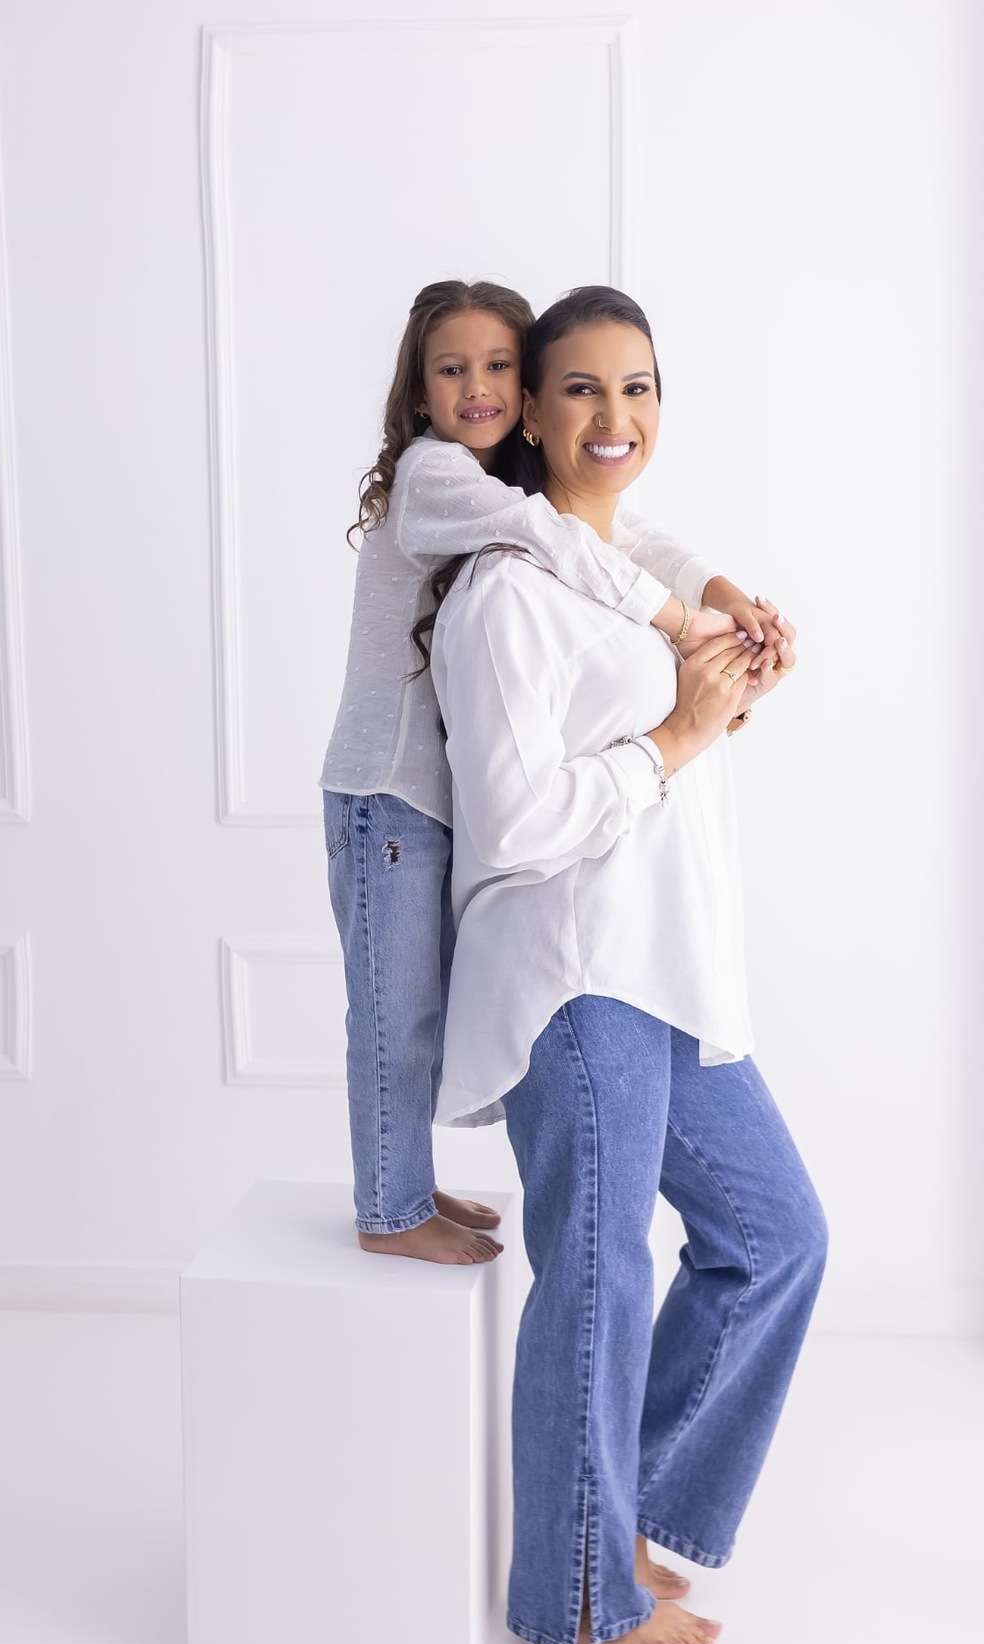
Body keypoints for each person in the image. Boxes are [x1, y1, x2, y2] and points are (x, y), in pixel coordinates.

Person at [428, 286, 828, 1644]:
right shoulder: (502, 595)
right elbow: (517, 825)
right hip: (572, 977)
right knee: (598, 1277)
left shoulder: (643, 590)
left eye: (640, 388)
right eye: (583, 390)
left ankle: (629, 1514)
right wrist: (679, 736)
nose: (616, 418)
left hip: (672, 973)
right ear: (528, 412)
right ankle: (579, 1590)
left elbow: (674, 681)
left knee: (778, 1237)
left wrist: (725, 668)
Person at [320, 279, 791, 1268]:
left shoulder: (514, 496)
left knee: (419, 1005)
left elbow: (635, 536)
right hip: (387, 793)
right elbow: (559, 536)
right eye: (454, 369)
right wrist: (677, 623)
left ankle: (399, 1182)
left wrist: (725, 600)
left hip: (450, 806)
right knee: (394, 1008)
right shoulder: (440, 480)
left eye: (499, 364)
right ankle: (389, 1206)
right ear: (417, 393)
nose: (480, 386)